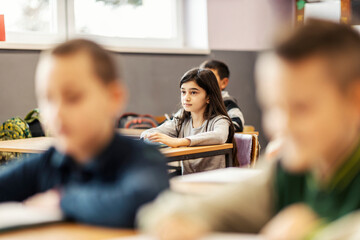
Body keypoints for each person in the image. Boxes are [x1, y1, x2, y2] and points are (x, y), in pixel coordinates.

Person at [137, 19, 360, 239]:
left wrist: (314, 232)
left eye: (301, 108)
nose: (282, 126)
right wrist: (180, 222)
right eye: (272, 107)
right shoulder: (290, 170)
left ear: (354, 101)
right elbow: (162, 213)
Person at [0, 39, 169, 228]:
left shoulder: (142, 157)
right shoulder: (49, 163)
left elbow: (139, 203)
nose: (56, 113)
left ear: (114, 98)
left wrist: (62, 200)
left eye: (73, 97)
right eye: (48, 98)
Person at [141, 68, 236, 174]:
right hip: (187, 180)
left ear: (208, 97)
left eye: (193, 92)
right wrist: (149, 136)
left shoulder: (220, 120)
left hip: (212, 184)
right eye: (183, 92)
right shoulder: (181, 120)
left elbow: (219, 136)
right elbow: (150, 132)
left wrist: (179, 142)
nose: (186, 98)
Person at [200, 60, 245, 132]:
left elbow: (238, 124)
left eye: (210, 79)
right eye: (201, 78)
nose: (204, 83)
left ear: (224, 82)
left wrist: (215, 129)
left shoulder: (227, 102)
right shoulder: (196, 101)